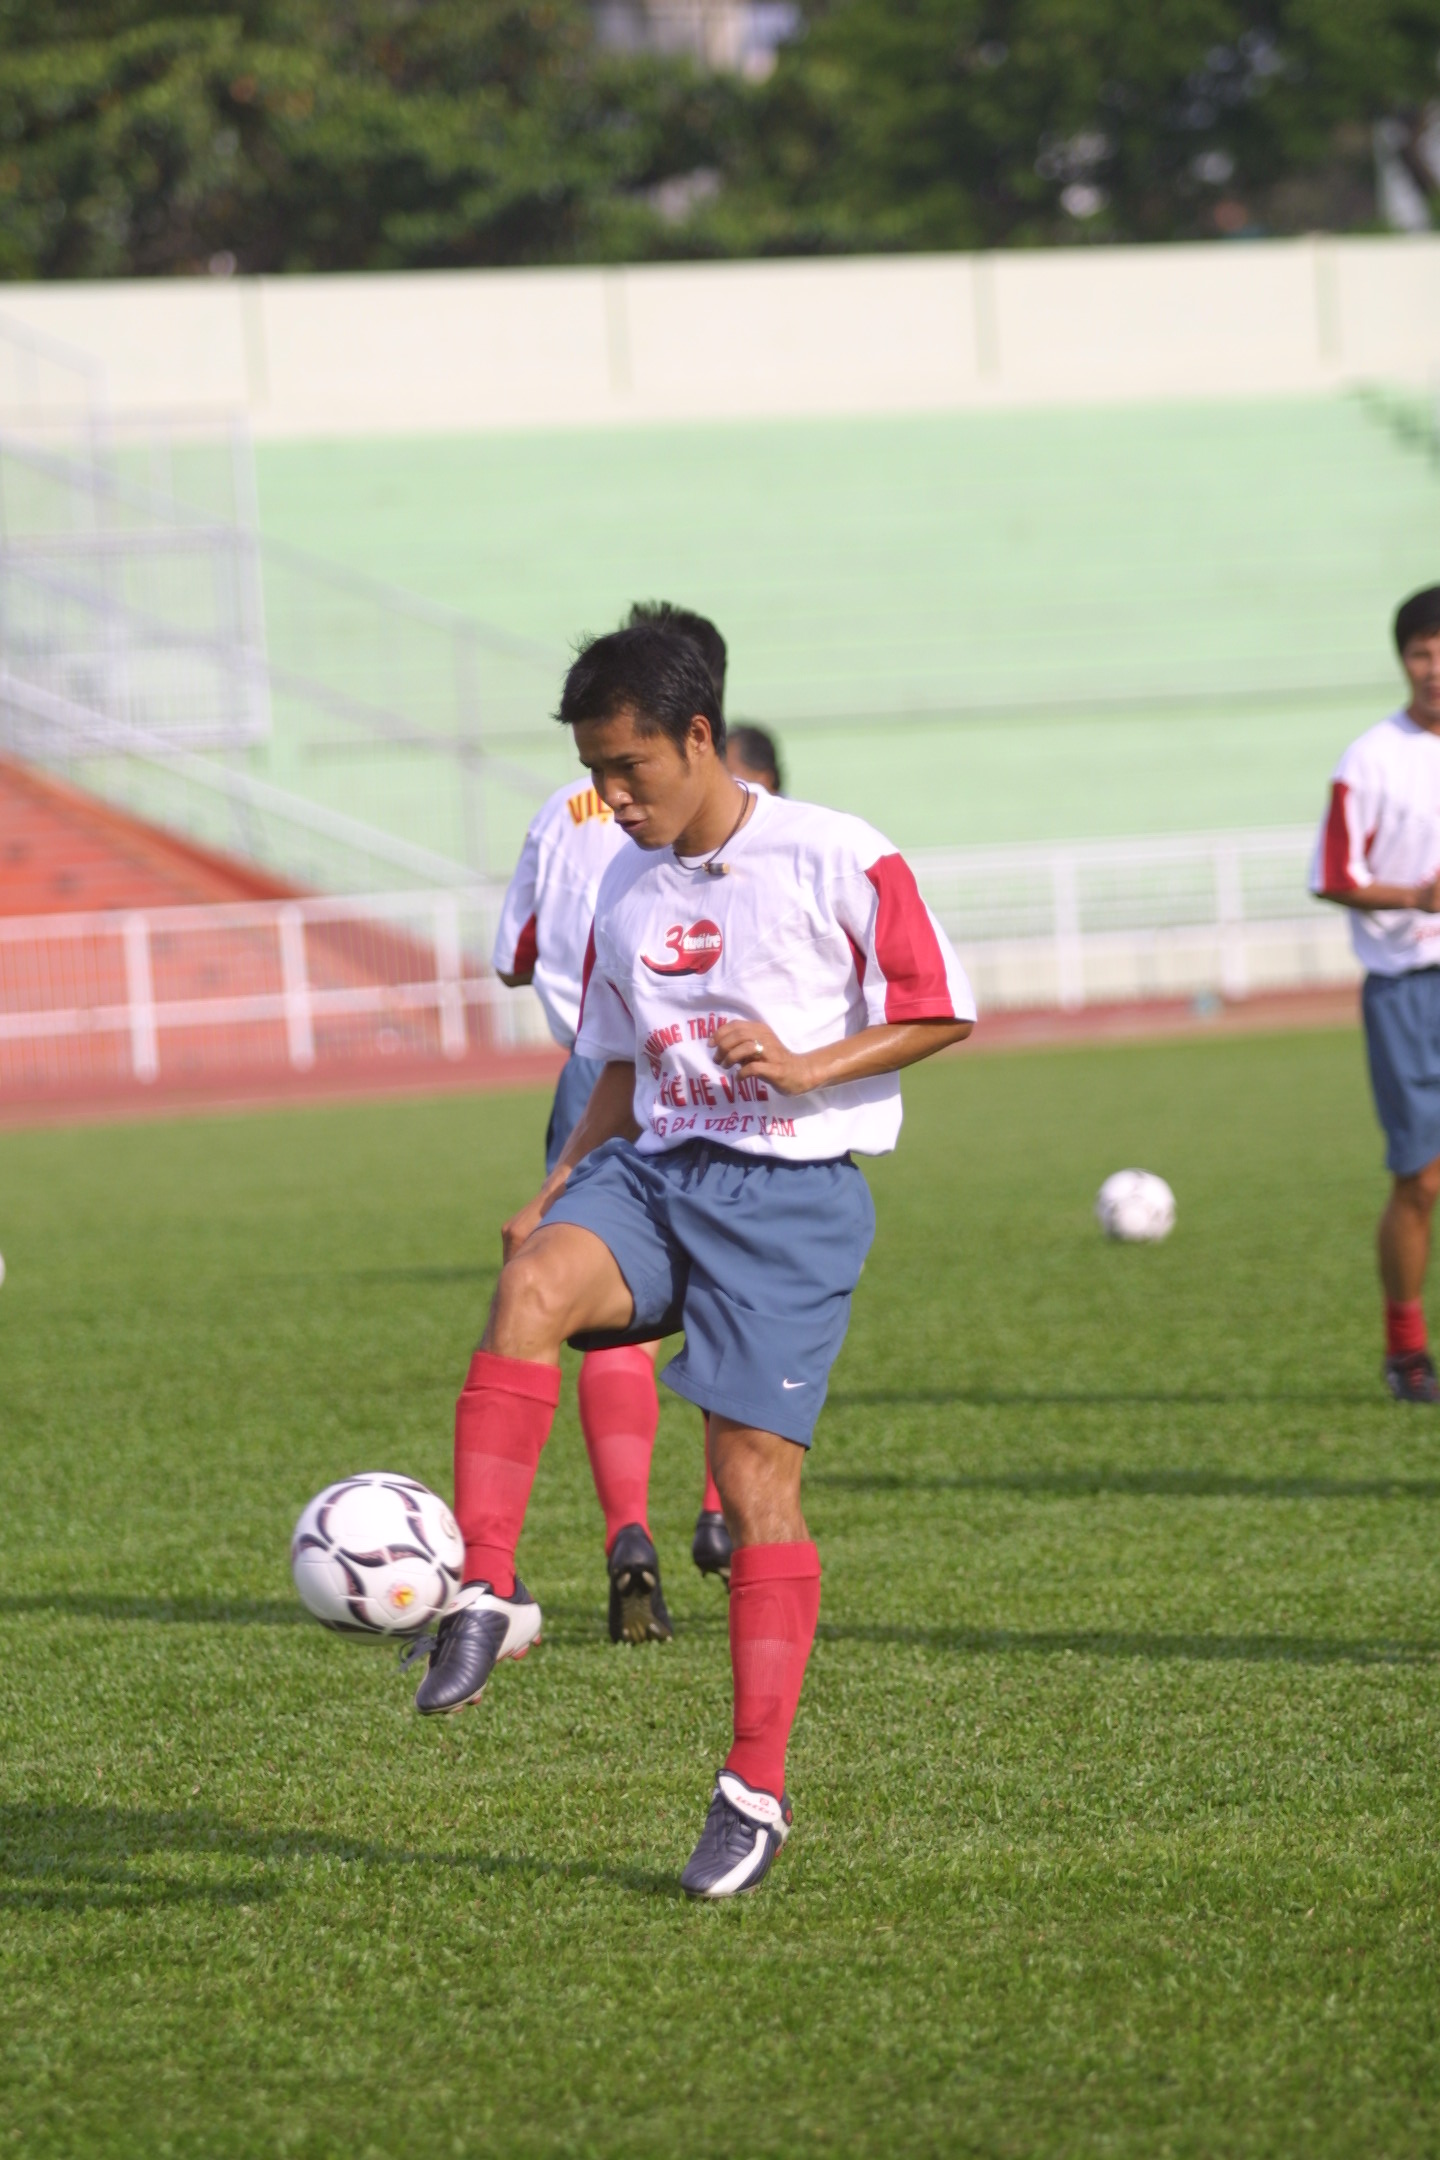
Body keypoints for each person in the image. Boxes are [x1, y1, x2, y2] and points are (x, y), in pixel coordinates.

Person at [416, 624, 974, 1898]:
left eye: (627, 769)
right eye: (595, 774)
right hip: (657, 1174)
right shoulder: (622, 878)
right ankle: (488, 1591)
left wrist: (809, 1065)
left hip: (789, 1202)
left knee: (751, 1487)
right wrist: (550, 1194)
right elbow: (615, 1058)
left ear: (700, 739)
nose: (609, 798)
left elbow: (936, 1004)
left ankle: (753, 1788)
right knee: (531, 1289)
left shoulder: (839, 851)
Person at [491, 602, 757, 1636]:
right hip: (715, 1086)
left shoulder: (561, 811)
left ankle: (623, 1532)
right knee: (730, 1296)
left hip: (591, 1071)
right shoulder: (744, 816)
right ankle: (718, 1512)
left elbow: (516, 957)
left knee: (606, 1320)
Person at [1311, 583, 1440, 1403]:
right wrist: (1417, 898)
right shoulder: (1371, 760)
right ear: (1403, 661)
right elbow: (1334, 877)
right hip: (1407, 988)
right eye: (1423, 654)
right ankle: (1406, 1347)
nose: (1435, 670)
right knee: (1421, 1179)